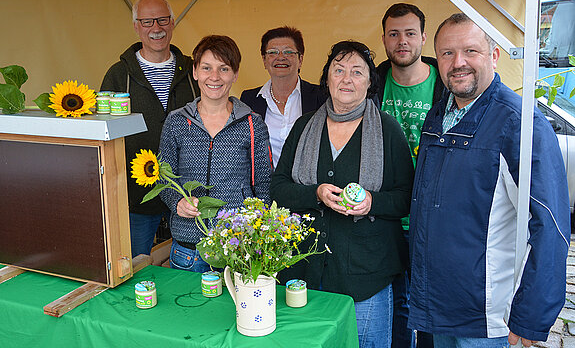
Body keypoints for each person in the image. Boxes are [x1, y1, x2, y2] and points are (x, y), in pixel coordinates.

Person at [408, 13, 570, 348]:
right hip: (439, 303)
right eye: (447, 53)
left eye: (471, 51)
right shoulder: (438, 114)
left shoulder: (520, 123)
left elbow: (550, 225)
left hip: (487, 318)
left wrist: (531, 315)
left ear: (494, 56)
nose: (458, 63)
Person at [271, 40, 414, 348]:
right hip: (305, 270)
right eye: (339, 70)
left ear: (369, 83)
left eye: (357, 72)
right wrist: (316, 193)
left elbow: (406, 196)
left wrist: (372, 202)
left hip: (366, 276)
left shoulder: (387, 130)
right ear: (327, 78)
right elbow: (279, 187)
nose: (346, 79)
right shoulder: (304, 126)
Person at [159, 35, 272, 272]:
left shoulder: (252, 123)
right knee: (186, 309)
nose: (215, 77)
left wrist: (256, 234)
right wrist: (176, 202)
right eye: (207, 68)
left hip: (237, 245)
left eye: (224, 69)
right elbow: (163, 176)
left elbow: (264, 183)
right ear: (195, 72)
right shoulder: (176, 121)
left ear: (235, 74)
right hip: (188, 247)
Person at [100, 0, 199, 258]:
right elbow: (104, 132)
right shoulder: (119, 75)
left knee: (191, 267)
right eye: (147, 22)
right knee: (135, 265)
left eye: (162, 20)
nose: (156, 28)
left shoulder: (195, 72)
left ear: (173, 22)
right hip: (137, 197)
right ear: (136, 27)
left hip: (188, 193)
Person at [377, 3, 444, 348]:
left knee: (431, 306)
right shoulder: (372, 84)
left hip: (432, 217)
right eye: (393, 34)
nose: (401, 41)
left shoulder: (446, 85)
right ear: (384, 39)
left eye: (409, 33)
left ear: (423, 37)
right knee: (396, 305)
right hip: (385, 216)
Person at [241, 26, 326, 167]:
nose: (281, 57)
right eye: (273, 52)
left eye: (288, 52)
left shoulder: (321, 97)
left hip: (305, 186)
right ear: (264, 60)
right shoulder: (248, 100)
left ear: (300, 59)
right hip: (263, 186)